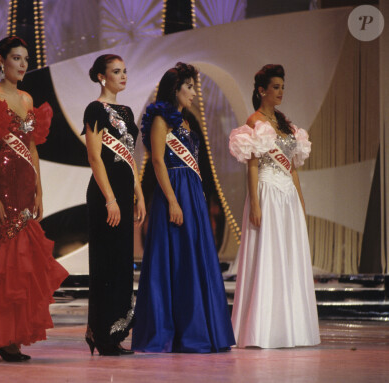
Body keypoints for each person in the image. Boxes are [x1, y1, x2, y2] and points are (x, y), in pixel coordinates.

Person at [0, 36, 68, 362]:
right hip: (3, 183)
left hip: (25, 184)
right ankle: (0, 338)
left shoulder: (26, 97)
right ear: (0, 61)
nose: (22, 64)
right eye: (16, 58)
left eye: (26, 58)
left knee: (23, 262)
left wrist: (39, 189)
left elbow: (33, 146)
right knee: (6, 260)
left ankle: (11, 338)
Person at [131, 63, 235, 353]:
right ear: (175, 90)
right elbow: (157, 162)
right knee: (175, 261)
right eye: (188, 86)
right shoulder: (161, 120)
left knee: (195, 259)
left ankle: (202, 329)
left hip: (193, 194)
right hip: (173, 193)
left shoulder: (188, 121)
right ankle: (175, 333)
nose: (193, 91)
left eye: (192, 85)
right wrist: (173, 201)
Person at [229, 64, 320, 348]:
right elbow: (252, 167)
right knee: (267, 255)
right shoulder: (254, 121)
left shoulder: (284, 123)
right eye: (276, 87)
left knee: (289, 256)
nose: (281, 92)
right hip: (266, 192)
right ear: (261, 90)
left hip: (287, 196)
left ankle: (291, 329)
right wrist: (254, 202)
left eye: (282, 87)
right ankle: (261, 329)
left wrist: (300, 203)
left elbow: (292, 169)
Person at [82, 54, 146, 356]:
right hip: (104, 196)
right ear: (101, 77)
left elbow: (130, 157)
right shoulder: (95, 109)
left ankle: (115, 332)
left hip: (124, 192)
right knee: (106, 263)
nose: (123, 76)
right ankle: (101, 333)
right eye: (116, 72)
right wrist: (110, 199)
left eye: (125, 71)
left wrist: (139, 194)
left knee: (122, 264)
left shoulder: (128, 111)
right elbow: (95, 157)